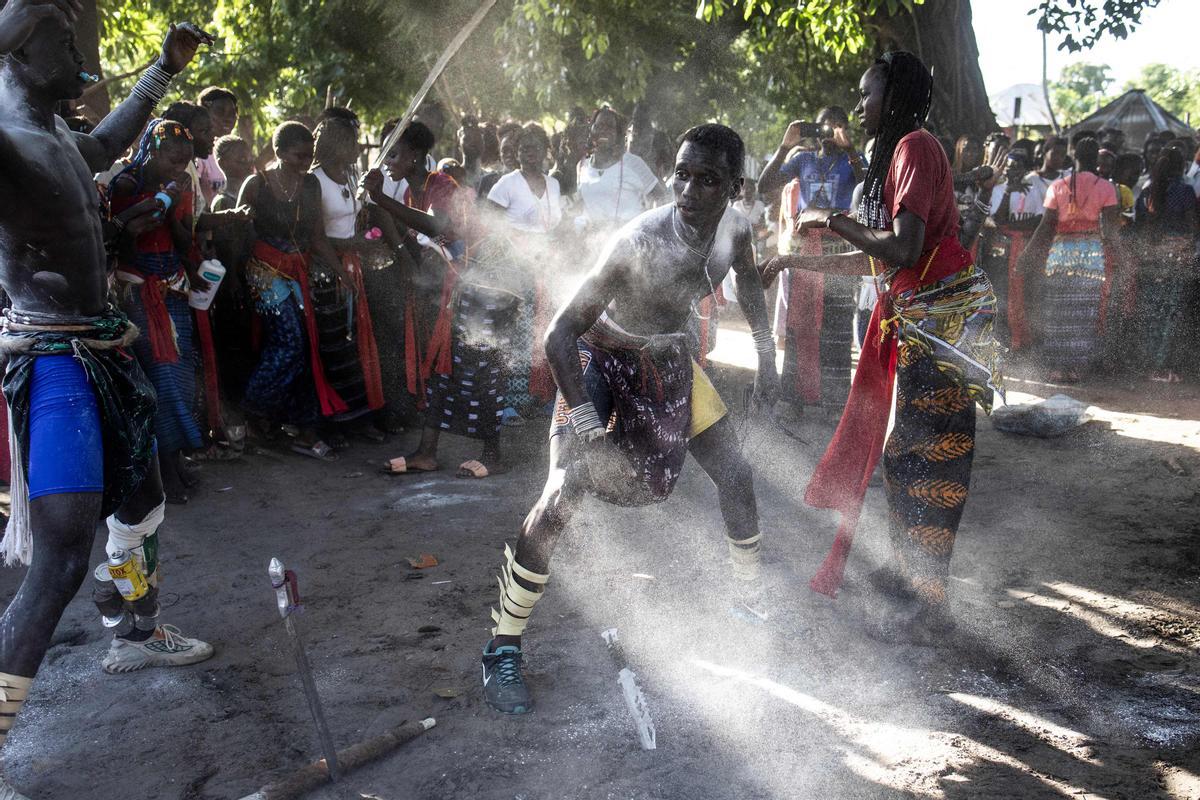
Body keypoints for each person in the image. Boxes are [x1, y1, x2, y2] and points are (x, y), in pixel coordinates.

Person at [478, 123, 779, 714]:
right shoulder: (639, 241)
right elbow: (561, 331)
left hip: (666, 358)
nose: (689, 191)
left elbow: (748, 281)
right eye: (682, 175)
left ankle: (749, 607)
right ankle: (502, 646)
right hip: (594, 355)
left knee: (737, 476)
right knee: (562, 492)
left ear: (733, 187)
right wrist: (586, 418)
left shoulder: (737, 229)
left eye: (707, 179)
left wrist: (768, 357)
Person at [0, 10, 214, 796]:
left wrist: (164, 69)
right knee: (59, 556)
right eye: (62, 40)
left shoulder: (53, 130)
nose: (83, 56)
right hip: (55, 364)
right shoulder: (7, 139)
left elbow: (107, 143)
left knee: (144, 495)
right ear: (19, 50)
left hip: (104, 349)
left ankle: (134, 633)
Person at [762, 51, 1001, 644]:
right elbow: (880, 257)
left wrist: (829, 216)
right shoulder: (896, 154)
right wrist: (797, 254)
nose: (860, 103)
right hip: (921, 322)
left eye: (868, 93)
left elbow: (901, 247)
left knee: (930, 457)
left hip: (939, 327)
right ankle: (908, 575)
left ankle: (930, 602)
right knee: (905, 456)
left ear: (893, 97)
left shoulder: (915, 146)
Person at [366, 122, 494, 476]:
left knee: (476, 370)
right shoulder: (410, 194)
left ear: (416, 156)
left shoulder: (440, 184)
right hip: (443, 293)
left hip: (472, 289)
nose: (388, 160)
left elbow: (438, 227)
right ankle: (427, 452)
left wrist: (381, 201)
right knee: (440, 372)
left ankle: (494, 452)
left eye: (394, 153)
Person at [237, 121, 351, 460]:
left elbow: (316, 236)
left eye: (309, 155)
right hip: (263, 270)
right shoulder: (257, 184)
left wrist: (340, 271)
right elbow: (238, 234)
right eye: (299, 155)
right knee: (290, 342)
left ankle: (300, 427)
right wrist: (233, 285)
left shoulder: (311, 184)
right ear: (280, 152)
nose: (306, 161)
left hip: (297, 270)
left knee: (307, 348)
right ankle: (253, 412)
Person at [108, 120, 207, 504]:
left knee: (181, 378)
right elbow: (123, 240)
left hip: (173, 287)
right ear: (150, 150)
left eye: (185, 161)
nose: (179, 167)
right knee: (160, 379)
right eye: (172, 158)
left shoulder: (178, 185)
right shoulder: (127, 185)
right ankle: (163, 468)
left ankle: (176, 459)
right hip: (139, 290)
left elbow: (182, 237)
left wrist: (173, 206)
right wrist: (157, 203)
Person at [761, 107, 866, 412]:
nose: (831, 132)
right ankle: (794, 398)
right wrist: (784, 145)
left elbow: (872, 189)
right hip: (805, 253)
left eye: (838, 126)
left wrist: (852, 152)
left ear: (846, 130)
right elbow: (765, 186)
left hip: (840, 253)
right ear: (815, 129)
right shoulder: (804, 159)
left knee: (837, 328)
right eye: (825, 126)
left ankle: (835, 402)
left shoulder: (853, 159)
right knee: (800, 324)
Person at [1018, 137, 1122, 383]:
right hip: (1090, 256)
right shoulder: (1107, 188)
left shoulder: (1057, 185)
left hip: (1061, 255)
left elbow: (1045, 227)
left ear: (1072, 156)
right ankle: (1075, 368)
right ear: (1096, 158)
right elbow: (1110, 231)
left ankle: (1057, 368)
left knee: (1057, 311)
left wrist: (1025, 255)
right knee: (1083, 313)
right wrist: (1121, 257)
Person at [310, 109, 386, 438]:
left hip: (352, 266)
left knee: (357, 345)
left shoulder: (352, 176)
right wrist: (343, 267)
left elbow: (357, 219)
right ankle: (337, 423)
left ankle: (361, 417)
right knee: (334, 346)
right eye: (351, 141)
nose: (357, 146)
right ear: (334, 144)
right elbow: (315, 236)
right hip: (328, 272)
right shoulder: (315, 179)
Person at [487, 122, 564, 419]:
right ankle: (508, 403)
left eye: (535, 147)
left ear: (546, 151)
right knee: (516, 335)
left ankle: (540, 395)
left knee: (543, 330)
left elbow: (556, 227)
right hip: (515, 268)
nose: (528, 152)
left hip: (546, 267)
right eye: (523, 147)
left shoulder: (554, 184)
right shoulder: (507, 183)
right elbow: (491, 226)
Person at [1130, 148, 1197, 383]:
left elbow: (1139, 224)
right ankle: (1163, 366)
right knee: (1171, 314)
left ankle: (1149, 365)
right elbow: (1192, 225)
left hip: (1150, 259)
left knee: (1151, 313)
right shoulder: (1185, 191)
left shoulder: (1147, 190)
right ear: (1181, 167)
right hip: (1176, 259)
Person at [575, 106, 668, 234]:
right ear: (591, 131)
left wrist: (650, 228)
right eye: (599, 125)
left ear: (618, 133)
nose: (604, 130)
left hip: (630, 240)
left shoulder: (633, 163)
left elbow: (660, 197)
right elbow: (582, 207)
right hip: (593, 243)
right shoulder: (582, 166)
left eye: (610, 126)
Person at [196, 85, 238, 205]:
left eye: (232, 113)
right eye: (220, 111)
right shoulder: (198, 153)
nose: (228, 118)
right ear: (204, 113)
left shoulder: (240, 151)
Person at [211, 133, 253, 212]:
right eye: (242, 161)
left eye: (250, 160)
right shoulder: (223, 202)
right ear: (223, 163)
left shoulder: (252, 197)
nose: (249, 166)